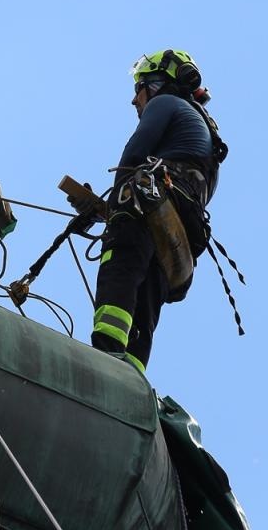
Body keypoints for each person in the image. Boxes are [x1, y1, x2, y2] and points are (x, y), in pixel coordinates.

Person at [91, 49, 224, 373]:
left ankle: (106, 348)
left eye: (138, 89)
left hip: (152, 199)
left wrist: (113, 214)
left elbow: (134, 153)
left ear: (156, 84)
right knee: (148, 291)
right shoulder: (204, 135)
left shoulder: (165, 104)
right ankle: (132, 371)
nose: (134, 101)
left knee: (121, 258)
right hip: (182, 224)